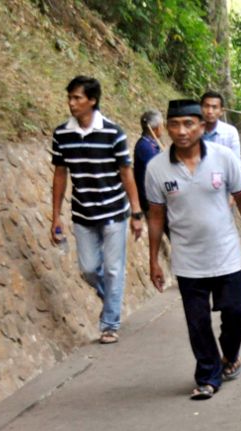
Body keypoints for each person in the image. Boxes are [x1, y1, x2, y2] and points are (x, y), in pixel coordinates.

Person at [144, 99, 241, 400]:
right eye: (174, 124)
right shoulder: (156, 168)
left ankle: (230, 354)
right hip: (187, 260)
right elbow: (156, 216)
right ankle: (208, 376)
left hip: (225, 255)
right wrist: (154, 260)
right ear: (167, 127)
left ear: (200, 125)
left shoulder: (223, 158)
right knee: (197, 324)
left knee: (236, 315)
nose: (181, 131)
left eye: (188, 124)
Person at [49, 75, 144, 345]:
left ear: (92, 100)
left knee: (114, 269)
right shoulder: (62, 134)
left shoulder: (113, 133)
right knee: (89, 269)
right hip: (83, 213)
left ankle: (110, 323)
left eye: (77, 98)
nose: (71, 103)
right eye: (70, 98)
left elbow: (127, 173)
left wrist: (136, 213)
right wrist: (55, 215)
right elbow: (60, 174)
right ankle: (110, 298)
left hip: (114, 211)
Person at [133, 109, 163, 217]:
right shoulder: (145, 147)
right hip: (150, 200)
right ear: (156, 129)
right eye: (162, 125)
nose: (163, 128)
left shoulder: (150, 144)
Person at [200, 91, 241, 164]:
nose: (210, 111)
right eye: (206, 106)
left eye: (214, 107)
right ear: (200, 109)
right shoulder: (193, 130)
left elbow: (236, 162)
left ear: (221, 111)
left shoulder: (230, 132)